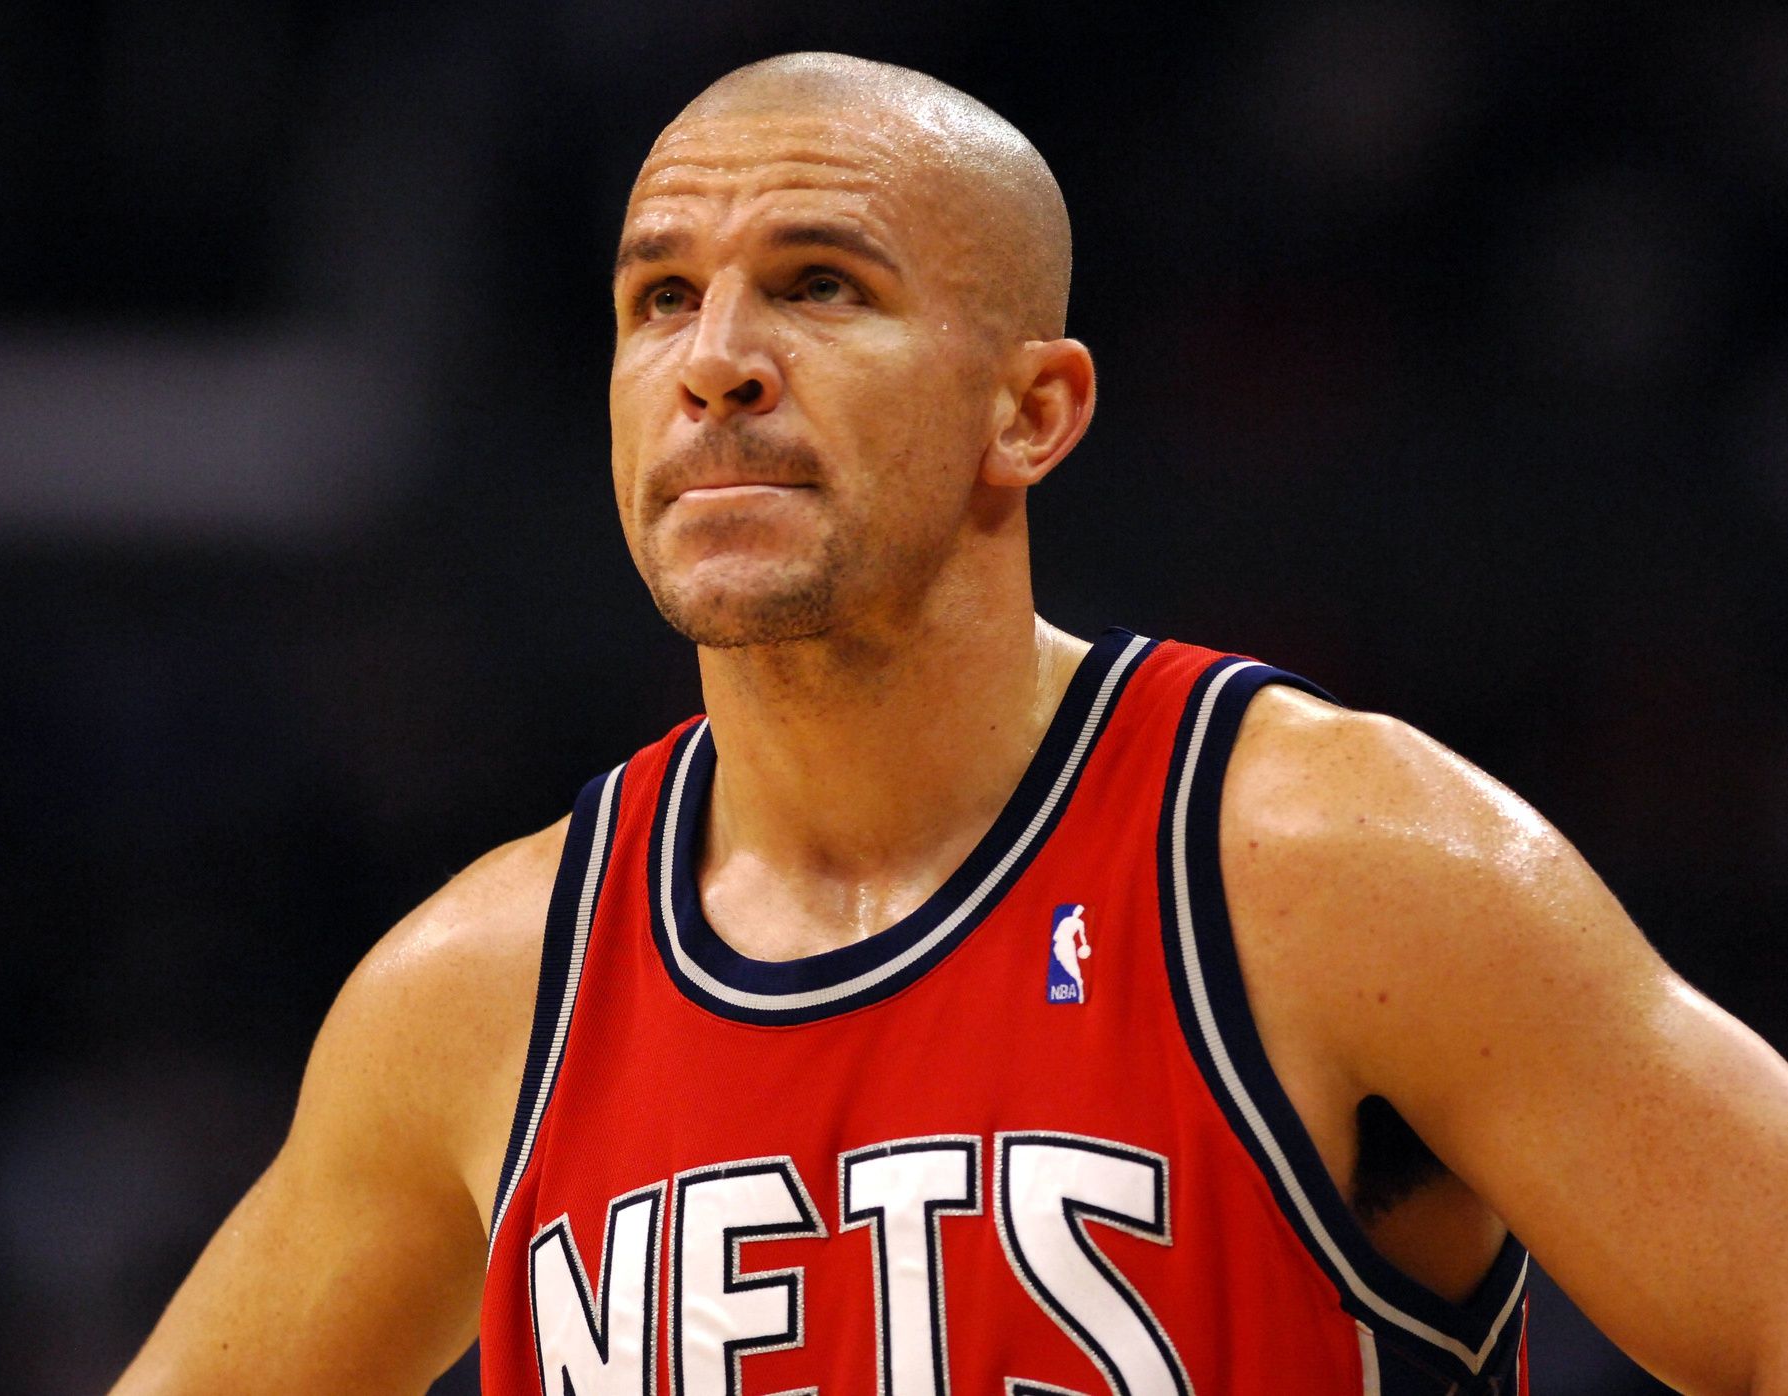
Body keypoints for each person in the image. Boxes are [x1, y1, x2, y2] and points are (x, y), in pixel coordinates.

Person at [110, 53, 1788, 1395]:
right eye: (657, 300)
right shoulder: (478, 992)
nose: (716, 361)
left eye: (820, 285)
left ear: (1031, 410)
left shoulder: (1332, 866)